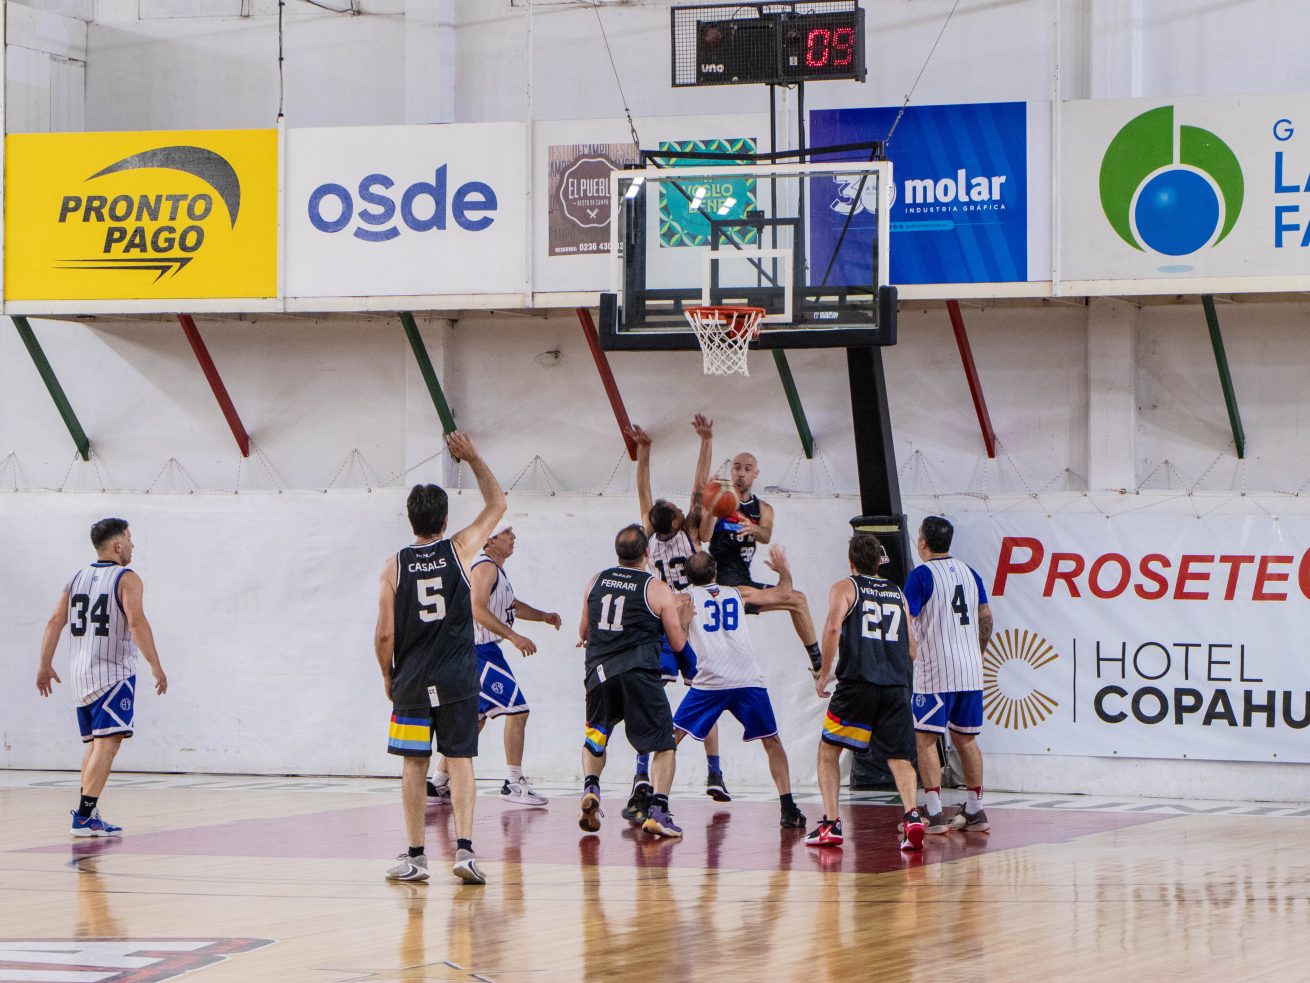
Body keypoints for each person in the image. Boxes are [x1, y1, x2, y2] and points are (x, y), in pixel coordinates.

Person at [375, 431, 505, 885]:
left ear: (411, 519)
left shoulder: (393, 566)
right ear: (445, 519)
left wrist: (386, 675)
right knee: (462, 760)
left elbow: (385, 632)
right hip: (456, 679)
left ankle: (415, 857)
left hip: (411, 678)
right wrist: (472, 456)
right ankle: (465, 852)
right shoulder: (460, 548)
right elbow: (497, 504)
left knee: (414, 763)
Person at [35, 517, 168, 837]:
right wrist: (155, 664)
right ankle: (82, 816)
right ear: (118, 545)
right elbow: (136, 623)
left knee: (96, 745)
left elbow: (55, 621)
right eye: (130, 539)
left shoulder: (76, 577)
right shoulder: (127, 578)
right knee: (108, 744)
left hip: (80, 674)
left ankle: (89, 813)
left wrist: (44, 664)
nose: (133, 545)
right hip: (112, 672)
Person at [625, 415, 729, 813]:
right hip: (687, 616)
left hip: (665, 618)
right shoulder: (685, 531)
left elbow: (643, 487)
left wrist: (645, 453)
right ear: (676, 520)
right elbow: (699, 488)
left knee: (658, 695)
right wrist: (706, 440)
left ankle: (642, 769)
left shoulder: (651, 536)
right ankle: (714, 771)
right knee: (705, 692)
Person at [672, 548, 807, 830]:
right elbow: (784, 594)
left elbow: (677, 641)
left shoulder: (682, 599)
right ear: (716, 572)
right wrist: (783, 569)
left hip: (709, 681)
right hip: (746, 678)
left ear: (688, 576)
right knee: (772, 741)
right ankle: (788, 807)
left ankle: (653, 798)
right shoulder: (737, 592)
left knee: (671, 739)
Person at [427, 525, 561, 808]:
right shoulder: (484, 567)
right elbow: (476, 608)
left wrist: (543, 616)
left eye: (514, 532)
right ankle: (513, 782)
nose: (514, 537)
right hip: (478, 650)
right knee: (518, 711)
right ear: (491, 540)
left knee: (475, 720)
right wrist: (513, 637)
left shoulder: (496, 571)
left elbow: (512, 605)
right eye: (507, 534)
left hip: (479, 650)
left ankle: (438, 782)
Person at [809, 533, 923, 851]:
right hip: (896, 686)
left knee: (828, 751)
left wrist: (824, 673)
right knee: (900, 757)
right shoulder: (897, 592)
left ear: (851, 561)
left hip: (858, 684)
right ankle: (912, 816)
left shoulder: (846, 587)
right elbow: (912, 648)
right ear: (879, 562)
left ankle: (831, 824)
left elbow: (833, 628)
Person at [577, 524, 688, 839]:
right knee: (664, 743)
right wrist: (684, 621)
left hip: (598, 674)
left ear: (617, 552)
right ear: (646, 553)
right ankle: (658, 811)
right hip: (638, 672)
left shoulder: (595, 582)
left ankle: (591, 788)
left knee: (595, 737)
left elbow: (583, 632)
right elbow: (677, 643)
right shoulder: (655, 587)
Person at [905, 515, 994, 834]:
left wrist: (909, 655)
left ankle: (933, 814)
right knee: (966, 740)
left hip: (935, 671)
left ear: (923, 542)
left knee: (926, 739)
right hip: (970, 671)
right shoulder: (971, 573)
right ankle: (975, 810)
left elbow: (908, 619)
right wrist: (977, 654)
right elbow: (986, 618)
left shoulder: (921, 575)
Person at [698, 451, 822, 677]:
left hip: (744, 582)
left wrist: (752, 528)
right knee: (792, 598)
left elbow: (765, 536)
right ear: (731, 471)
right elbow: (704, 537)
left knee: (798, 600)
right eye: (736, 467)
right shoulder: (721, 502)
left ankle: (818, 666)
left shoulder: (763, 509)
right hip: (724, 584)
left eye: (747, 469)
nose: (740, 473)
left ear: (756, 473)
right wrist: (711, 510)